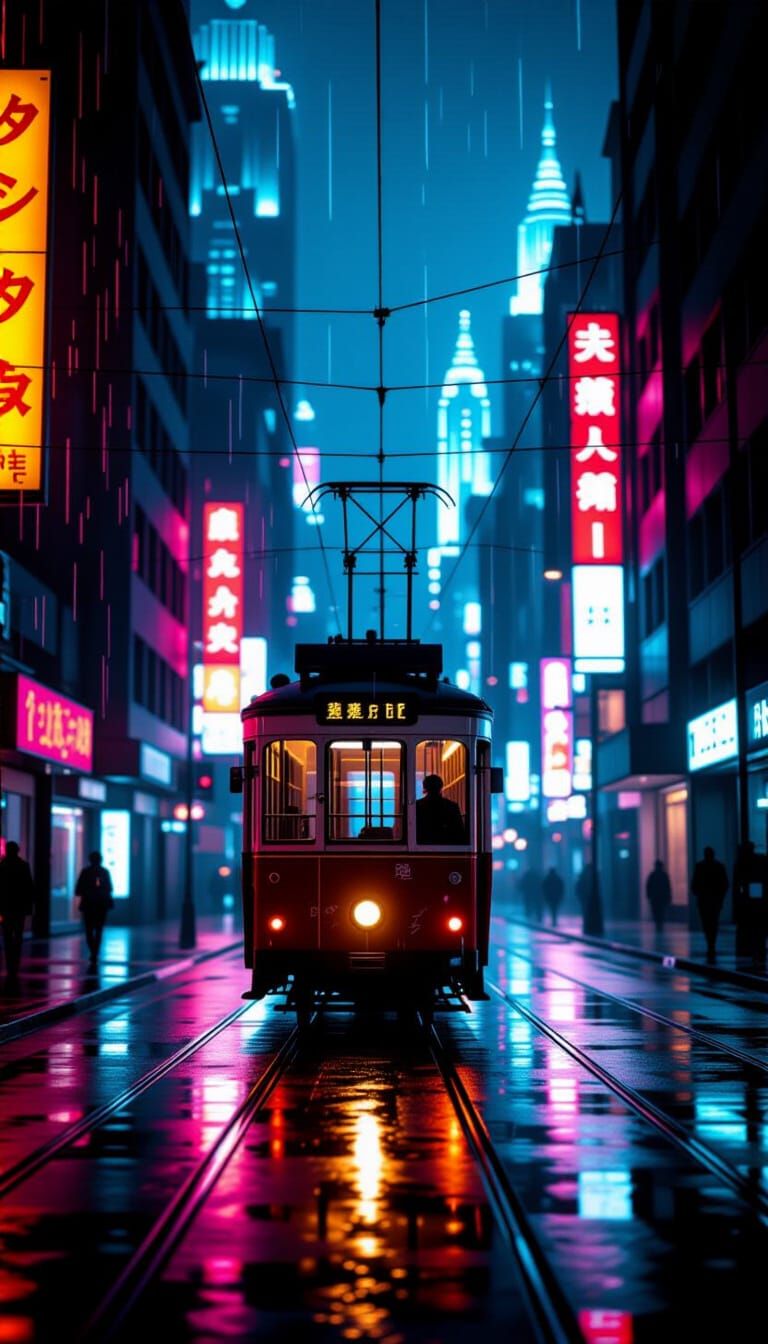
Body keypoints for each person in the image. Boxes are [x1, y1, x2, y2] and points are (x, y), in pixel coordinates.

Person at [0, 841, 35, 983]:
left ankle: (10, 964)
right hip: (19, 907)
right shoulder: (23, 866)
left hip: (6, 907)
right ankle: (15, 963)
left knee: (7, 936)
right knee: (18, 935)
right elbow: (29, 887)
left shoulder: (2, 866)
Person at [75, 850, 114, 970]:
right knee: (99, 929)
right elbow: (110, 888)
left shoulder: (85, 872)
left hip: (88, 905)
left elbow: (78, 889)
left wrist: (88, 893)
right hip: (101, 905)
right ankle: (95, 952)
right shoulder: (104, 872)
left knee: (89, 929)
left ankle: (93, 951)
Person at [691, 845, 729, 963]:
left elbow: (694, 884)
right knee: (713, 922)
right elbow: (725, 884)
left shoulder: (700, 866)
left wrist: (698, 892)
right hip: (715, 900)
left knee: (707, 923)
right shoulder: (719, 867)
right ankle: (711, 944)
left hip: (704, 900)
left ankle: (710, 944)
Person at [415, 774, 466, 844]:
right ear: (441, 787)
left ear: (425, 787)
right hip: (447, 848)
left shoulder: (417, 806)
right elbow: (460, 833)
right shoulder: (451, 806)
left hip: (422, 847)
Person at [646, 859, 672, 933]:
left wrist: (649, 895)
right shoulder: (664, 875)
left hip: (655, 897)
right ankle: (660, 923)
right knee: (661, 911)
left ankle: (658, 923)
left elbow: (648, 886)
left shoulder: (652, 875)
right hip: (661, 897)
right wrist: (669, 896)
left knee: (656, 911)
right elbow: (668, 887)